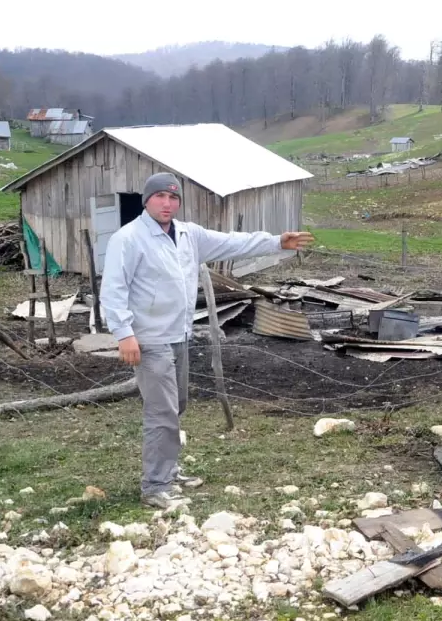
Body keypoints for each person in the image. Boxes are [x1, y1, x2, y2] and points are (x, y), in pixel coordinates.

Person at [101, 172, 314, 510]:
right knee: (162, 412)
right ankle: (156, 486)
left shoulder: (189, 235)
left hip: (178, 334)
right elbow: (112, 290)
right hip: (148, 338)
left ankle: (169, 470)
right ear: (146, 200)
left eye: (173, 198)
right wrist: (124, 334)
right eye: (160, 197)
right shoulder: (127, 239)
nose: (167, 204)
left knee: (177, 405)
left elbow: (233, 242)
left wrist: (276, 242)